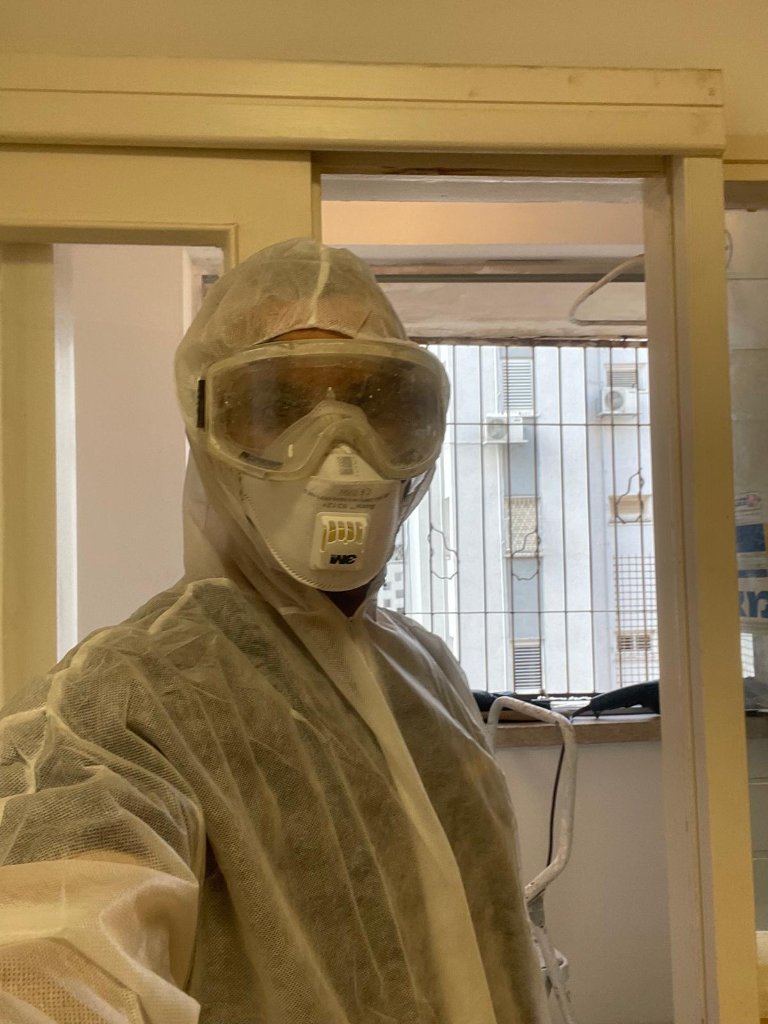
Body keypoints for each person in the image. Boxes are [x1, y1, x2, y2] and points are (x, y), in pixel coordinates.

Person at [0, 239, 547, 1024]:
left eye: (374, 403)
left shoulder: (428, 673)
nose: (340, 456)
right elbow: (47, 963)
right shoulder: (120, 704)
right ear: (210, 434)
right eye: (282, 407)